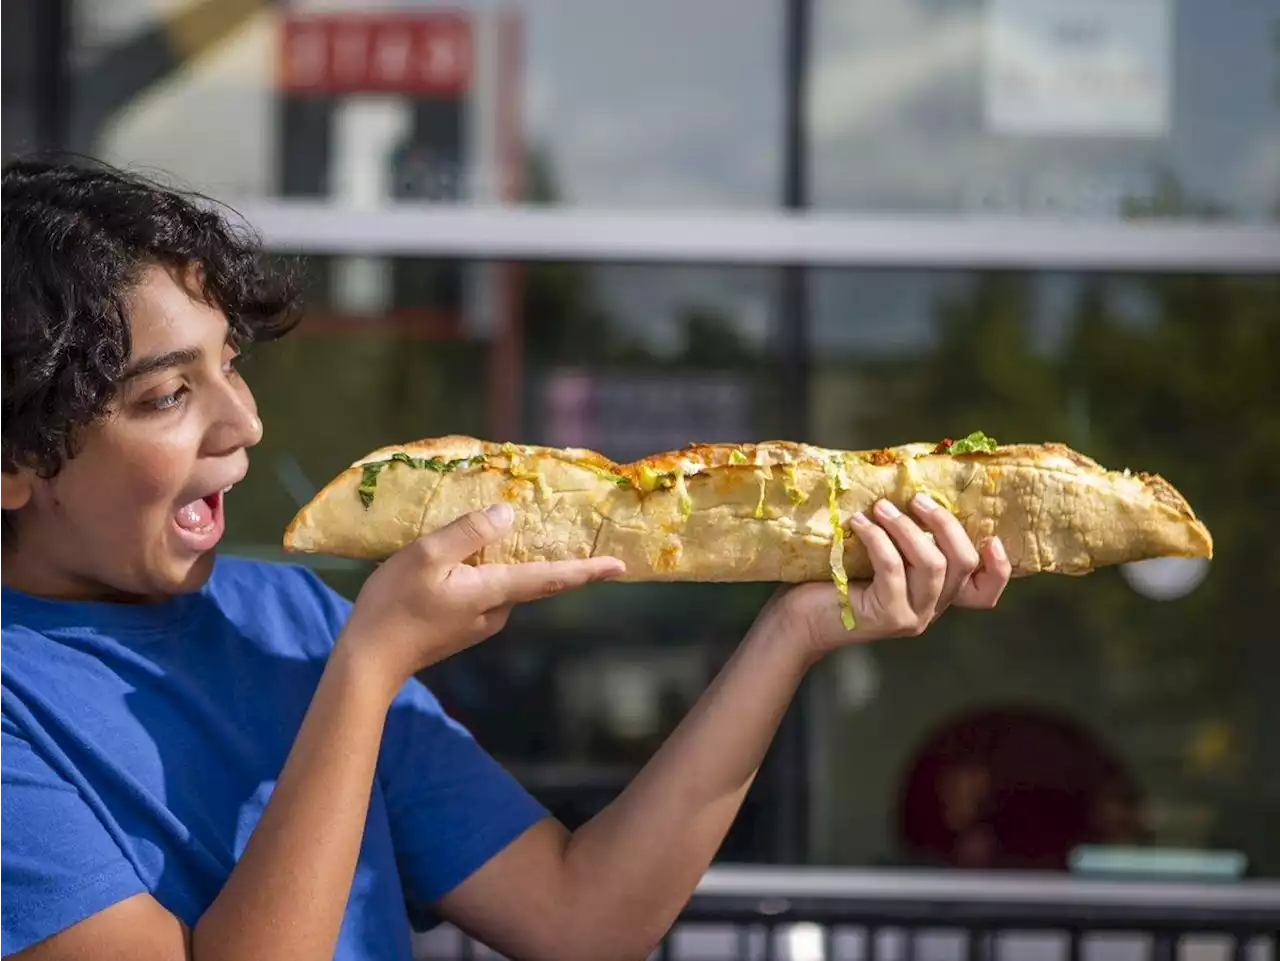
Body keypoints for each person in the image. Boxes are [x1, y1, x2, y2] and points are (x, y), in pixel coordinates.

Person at [0, 157, 1012, 961]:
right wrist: (364, 675)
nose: (245, 423)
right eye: (166, 395)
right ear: (13, 461)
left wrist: (792, 631)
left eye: (230, 364)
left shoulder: (290, 619)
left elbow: (584, 919)